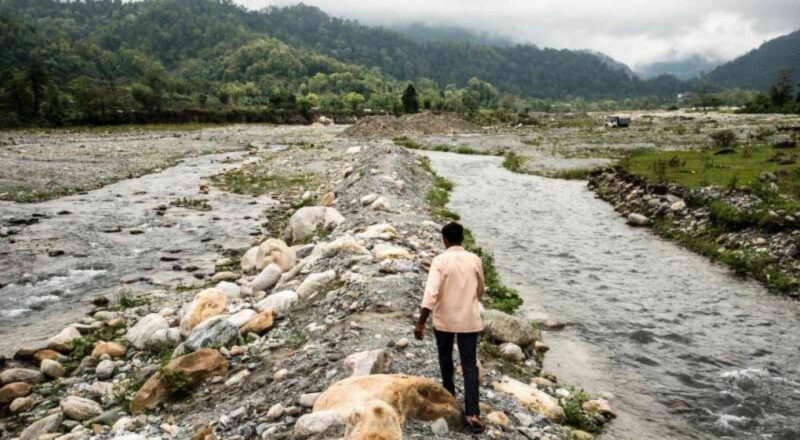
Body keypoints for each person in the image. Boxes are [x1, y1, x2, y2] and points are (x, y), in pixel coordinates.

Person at [414, 221, 486, 434]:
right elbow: (480, 289)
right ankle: (473, 413)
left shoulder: (440, 261)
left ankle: (451, 402)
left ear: (444, 240)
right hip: (469, 320)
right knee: (469, 365)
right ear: (462, 238)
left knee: (446, 360)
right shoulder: (475, 259)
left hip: (444, 320)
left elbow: (431, 294)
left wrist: (421, 322)